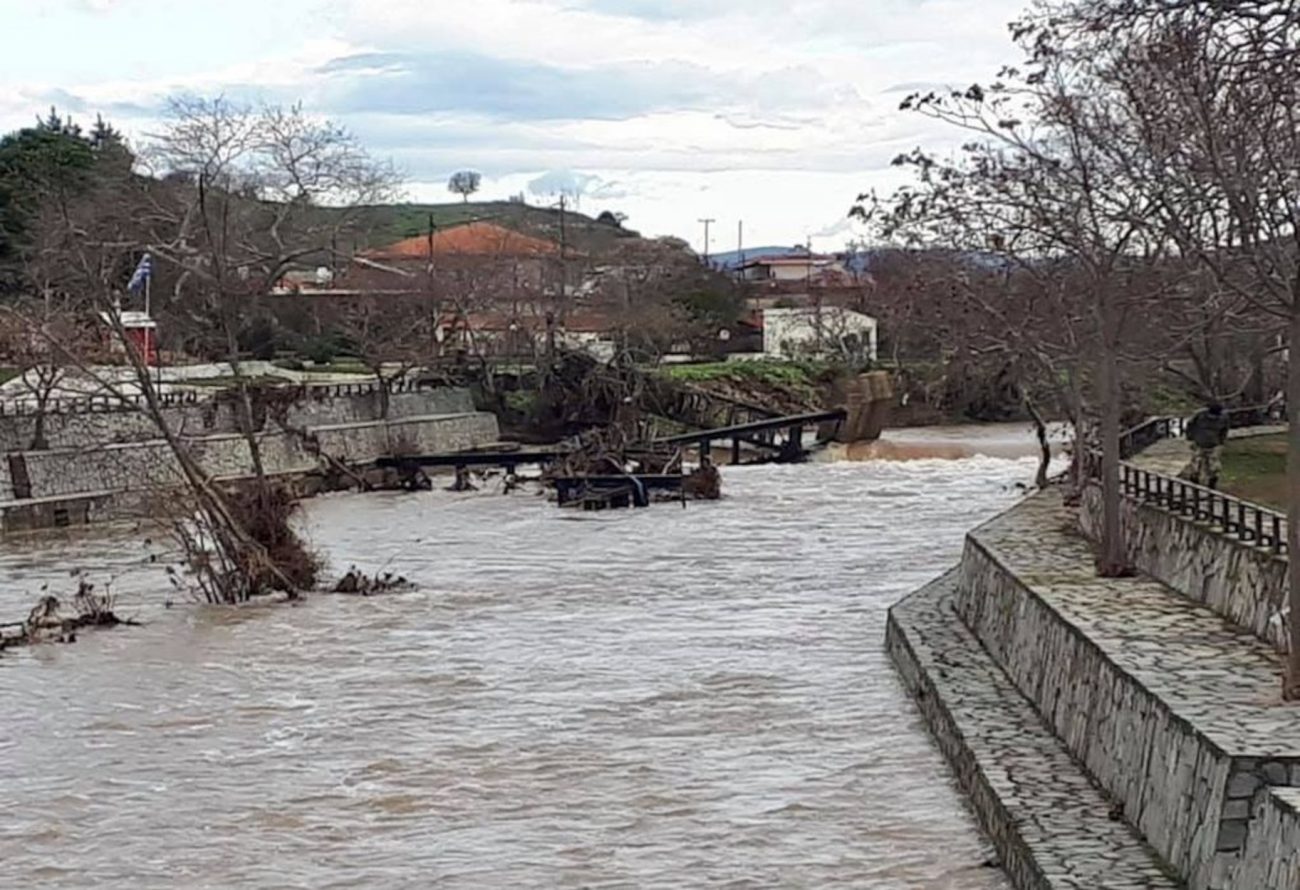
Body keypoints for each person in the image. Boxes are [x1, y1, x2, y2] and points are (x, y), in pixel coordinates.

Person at [1185, 402, 1229, 488]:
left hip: (1214, 445)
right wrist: (1190, 438)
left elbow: (1225, 430)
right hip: (1198, 443)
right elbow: (1189, 425)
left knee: (1214, 465)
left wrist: (1221, 442)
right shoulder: (1199, 415)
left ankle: (1212, 481)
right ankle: (1194, 480)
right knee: (1196, 463)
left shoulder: (1224, 418)